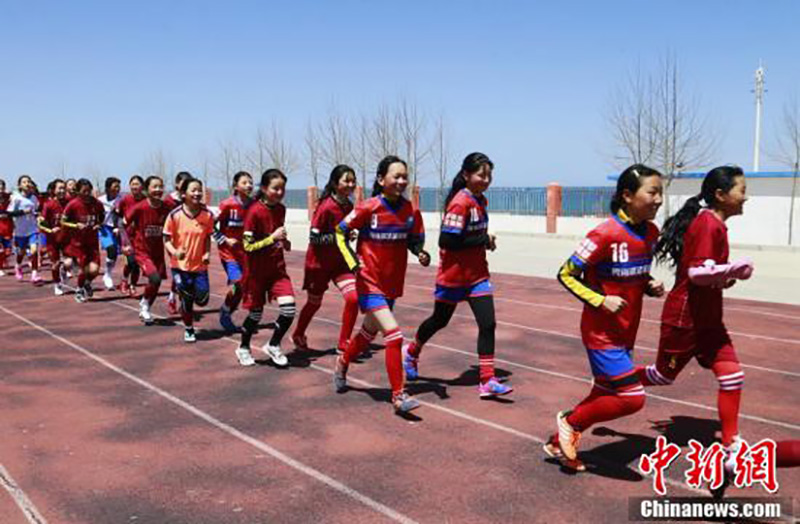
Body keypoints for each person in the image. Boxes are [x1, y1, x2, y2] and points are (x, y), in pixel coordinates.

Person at [545, 164, 665, 471]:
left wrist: (647, 283)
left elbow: (631, 273)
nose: (658, 200)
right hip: (601, 334)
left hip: (627, 332)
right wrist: (600, 300)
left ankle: (558, 442)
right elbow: (565, 273)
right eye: (652, 192)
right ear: (627, 195)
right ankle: (570, 422)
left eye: (660, 193)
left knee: (605, 391)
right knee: (632, 397)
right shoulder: (604, 233)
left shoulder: (651, 233)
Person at [643, 166, 753, 469]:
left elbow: (707, 274)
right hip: (685, 319)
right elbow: (696, 274)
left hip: (709, 321)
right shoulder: (707, 225)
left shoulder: (716, 225)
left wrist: (725, 278)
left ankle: (731, 443)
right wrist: (733, 269)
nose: (747, 198)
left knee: (732, 376)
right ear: (720, 194)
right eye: (742, 190)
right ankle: (616, 380)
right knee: (662, 376)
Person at [403, 153, 512, 398]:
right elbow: (448, 240)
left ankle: (487, 380)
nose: (486, 180)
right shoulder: (460, 202)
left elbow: (471, 238)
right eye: (481, 175)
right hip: (453, 277)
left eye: (489, 175)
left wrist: (486, 243)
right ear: (466, 175)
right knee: (439, 320)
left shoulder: (480, 201)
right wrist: (483, 239)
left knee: (488, 323)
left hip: (477, 277)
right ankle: (411, 352)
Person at [333, 155, 431, 414]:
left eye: (404, 177)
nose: (401, 181)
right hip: (368, 282)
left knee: (367, 335)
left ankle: (343, 362)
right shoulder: (368, 207)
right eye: (395, 176)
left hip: (392, 284)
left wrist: (420, 252)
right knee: (394, 334)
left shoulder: (410, 211)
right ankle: (398, 396)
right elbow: (340, 232)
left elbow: (414, 239)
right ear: (381, 179)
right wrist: (354, 263)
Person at [292, 164, 359, 353]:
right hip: (318, 264)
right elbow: (314, 238)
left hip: (340, 263)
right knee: (314, 303)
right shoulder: (325, 207)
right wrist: (337, 237)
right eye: (346, 180)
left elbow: (345, 232)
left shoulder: (349, 205)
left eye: (353, 181)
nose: (351, 184)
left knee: (353, 298)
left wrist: (349, 235)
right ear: (335, 183)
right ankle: (298, 333)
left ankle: (343, 342)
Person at [236, 169, 296, 367]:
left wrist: (284, 242)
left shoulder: (281, 209)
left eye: (282, 188)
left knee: (289, 310)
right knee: (255, 315)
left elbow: (277, 235)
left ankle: (274, 344)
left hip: (277, 270)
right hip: (256, 272)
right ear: (263, 188)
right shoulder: (254, 212)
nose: (280, 192)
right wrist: (272, 238)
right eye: (275, 188)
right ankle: (243, 347)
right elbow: (247, 246)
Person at [163, 178, 215, 343]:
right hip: (180, 266)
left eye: (200, 190)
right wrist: (175, 252)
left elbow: (207, 237)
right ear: (183, 194)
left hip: (199, 266)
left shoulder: (207, 215)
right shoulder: (175, 215)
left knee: (202, 299)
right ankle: (189, 328)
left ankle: (184, 296)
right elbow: (166, 239)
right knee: (187, 299)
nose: (197, 193)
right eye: (193, 190)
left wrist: (207, 253)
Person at [125, 176, 170, 324]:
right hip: (141, 251)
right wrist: (125, 243)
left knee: (156, 282)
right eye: (154, 187)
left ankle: (145, 305)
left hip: (158, 251)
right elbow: (123, 223)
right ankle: (144, 307)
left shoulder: (166, 208)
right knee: (154, 277)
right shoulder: (140, 208)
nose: (158, 190)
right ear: (147, 189)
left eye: (161, 186)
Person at [215, 171, 253, 332]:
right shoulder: (227, 204)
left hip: (245, 253)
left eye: (251, 182)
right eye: (244, 182)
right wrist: (224, 239)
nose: (249, 185)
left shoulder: (253, 204)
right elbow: (209, 226)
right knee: (237, 283)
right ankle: (225, 312)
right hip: (228, 253)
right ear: (236, 186)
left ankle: (228, 310)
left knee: (243, 287)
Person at [61, 179, 105, 302]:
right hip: (78, 243)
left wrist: (98, 224)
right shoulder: (73, 204)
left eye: (88, 191)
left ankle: (87, 282)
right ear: (78, 191)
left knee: (94, 270)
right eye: (84, 191)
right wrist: (76, 225)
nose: (86, 193)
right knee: (83, 268)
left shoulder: (96, 203)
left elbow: (102, 216)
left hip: (92, 241)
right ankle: (79, 289)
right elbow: (63, 221)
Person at [164, 171, 194, 315]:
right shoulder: (168, 201)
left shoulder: (191, 199)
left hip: (191, 241)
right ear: (177, 184)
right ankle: (173, 298)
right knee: (180, 269)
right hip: (174, 241)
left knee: (188, 271)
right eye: (183, 183)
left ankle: (180, 298)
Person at [38, 179, 72, 295]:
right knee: (55, 263)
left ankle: (64, 272)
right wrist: (50, 230)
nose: (62, 191)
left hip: (67, 238)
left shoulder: (70, 202)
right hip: (52, 239)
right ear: (54, 190)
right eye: (60, 188)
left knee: (69, 262)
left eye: (64, 188)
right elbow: (41, 222)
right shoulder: (49, 205)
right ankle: (57, 284)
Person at [8, 175, 42, 283]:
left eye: (28, 181)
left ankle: (34, 275)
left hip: (32, 229)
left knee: (34, 251)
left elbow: (36, 210)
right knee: (21, 252)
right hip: (20, 231)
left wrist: (38, 215)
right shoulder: (16, 198)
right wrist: (23, 212)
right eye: (24, 182)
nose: (27, 183)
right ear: (20, 185)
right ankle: (18, 266)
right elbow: (10, 213)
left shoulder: (34, 198)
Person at [117, 175, 146, 296]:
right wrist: (117, 228)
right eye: (132, 184)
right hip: (127, 236)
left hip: (142, 236)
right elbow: (117, 215)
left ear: (142, 186)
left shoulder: (146, 200)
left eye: (137, 184)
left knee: (137, 264)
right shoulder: (125, 200)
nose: (135, 186)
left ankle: (133, 285)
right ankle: (124, 281)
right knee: (131, 262)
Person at [98, 176, 122, 291]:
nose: (117, 189)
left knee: (115, 254)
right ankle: (107, 275)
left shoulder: (121, 199)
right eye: (115, 186)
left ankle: (108, 273)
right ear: (108, 188)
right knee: (111, 249)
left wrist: (118, 226)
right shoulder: (100, 200)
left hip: (117, 228)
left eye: (119, 186)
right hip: (104, 228)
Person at [0, 179, 13, 276]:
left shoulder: (9, 197)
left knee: (7, 251)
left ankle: (4, 259)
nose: (0, 189)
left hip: (8, 226)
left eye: (2, 187)